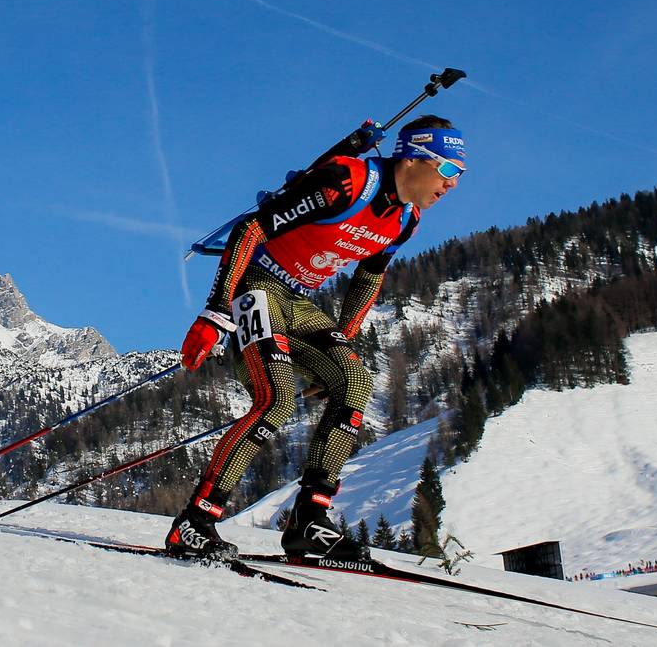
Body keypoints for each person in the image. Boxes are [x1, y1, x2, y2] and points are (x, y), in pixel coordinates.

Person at [166, 115, 467, 561]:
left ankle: (308, 521)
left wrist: (340, 347)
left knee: (354, 382)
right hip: (255, 286)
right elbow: (251, 230)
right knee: (275, 400)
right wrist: (216, 311)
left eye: (460, 174)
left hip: (298, 300)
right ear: (414, 158)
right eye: (448, 169)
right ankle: (194, 522)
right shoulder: (348, 182)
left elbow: (369, 277)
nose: (452, 183)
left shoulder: (405, 220)